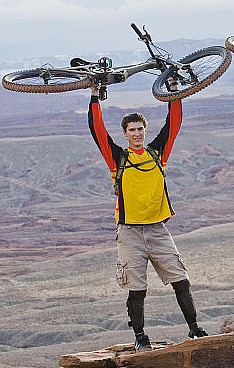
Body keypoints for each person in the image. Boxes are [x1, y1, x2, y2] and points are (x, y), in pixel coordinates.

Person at [87, 80, 207, 351]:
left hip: (157, 230)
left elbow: (173, 124)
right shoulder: (117, 159)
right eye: (132, 130)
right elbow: (98, 131)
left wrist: (174, 91)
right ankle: (140, 337)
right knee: (137, 288)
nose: (137, 134)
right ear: (125, 134)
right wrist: (95, 96)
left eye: (140, 129)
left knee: (181, 280)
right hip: (130, 233)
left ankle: (194, 329)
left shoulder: (156, 154)